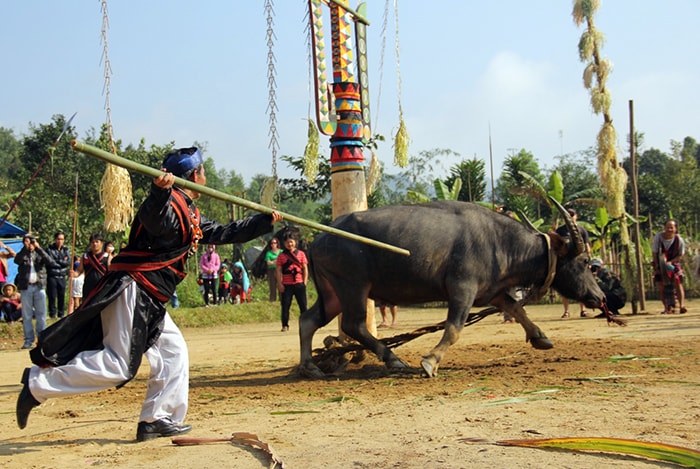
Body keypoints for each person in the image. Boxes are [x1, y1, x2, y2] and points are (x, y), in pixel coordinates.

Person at [16, 146, 282, 441]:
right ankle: (38, 384)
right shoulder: (165, 205)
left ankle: (156, 418)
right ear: (195, 175)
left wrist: (263, 222)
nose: (205, 176)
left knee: (174, 352)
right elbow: (154, 220)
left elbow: (224, 233)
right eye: (203, 171)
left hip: (152, 296)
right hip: (135, 290)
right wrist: (158, 194)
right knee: (118, 365)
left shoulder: (190, 213)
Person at [14, 234, 53, 349]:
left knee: (41, 314)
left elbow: (49, 261)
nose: (30, 244)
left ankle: (41, 340)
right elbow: (17, 260)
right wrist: (25, 249)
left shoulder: (39, 253)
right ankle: (28, 340)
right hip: (26, 287)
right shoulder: (23, 254)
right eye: (28, 242)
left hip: (39, 286)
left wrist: (38, 248)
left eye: (32, 242)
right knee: (26, 315)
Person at [556, 208, 591, 318]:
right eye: (567, 215)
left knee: (581, 285)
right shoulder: (560, 231)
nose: (570, 217)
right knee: (564, 287)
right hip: (565, 263)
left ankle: (583, 310)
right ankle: (566, 311)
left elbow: (587, 246)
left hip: (579, 262)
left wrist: (588, 260)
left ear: (576, 216)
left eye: (572, 215)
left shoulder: (581, 230)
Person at [652, 219, 687, 314]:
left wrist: (671, 262)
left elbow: (681, 254)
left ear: (675, 229)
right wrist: (657, 265)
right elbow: (655, 252)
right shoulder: (658, 237)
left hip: (674, 262)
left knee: (677, 281)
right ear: (664, 228)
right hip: (660, 262)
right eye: (667, 227)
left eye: (671, 227)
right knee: (661, 285)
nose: (669, 229)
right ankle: (666, 308)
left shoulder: (679, 239)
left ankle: (681, 305)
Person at [276, 233, 308, 332]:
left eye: (291, 242)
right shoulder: (281, 256)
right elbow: (278, 270)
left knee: (303, 305)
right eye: (287, 242)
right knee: (285, 306)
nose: (289, 244)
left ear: (295, 242)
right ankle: (285, 325)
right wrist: (280, 284)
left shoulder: (301, 254)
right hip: (287, 284)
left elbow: (305, 269)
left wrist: (304, 282)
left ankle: (306, 324)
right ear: (284, 244)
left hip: (299, 283)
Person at [74, 233, 110, 299]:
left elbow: (111, 272)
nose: (94, 244)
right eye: (92, 242)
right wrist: (74, 274)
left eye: (97, 242)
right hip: (88, 287)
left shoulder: (107, 257)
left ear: (101, 243)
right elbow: (79, 270)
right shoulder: (85, 256)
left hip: (102, 287)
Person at [46, 230, 71, 319]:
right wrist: (62, 261)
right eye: (58, 239)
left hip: (62, 276)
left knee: (61, 295)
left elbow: (68, 262)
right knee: (52, 296)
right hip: (52, 276)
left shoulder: (66, 250)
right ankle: (52, 314)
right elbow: (50, 262)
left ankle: (61, 313)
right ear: (55, 239)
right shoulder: (49, 249)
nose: (60, 241)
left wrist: (58, 260)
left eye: (62, 239)